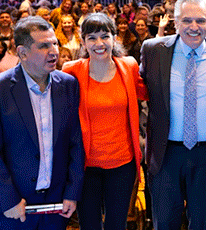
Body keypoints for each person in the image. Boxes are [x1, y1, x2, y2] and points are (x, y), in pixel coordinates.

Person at [0, 16, 85, 229]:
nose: (54, 51)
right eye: (43, 46)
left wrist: (72, 192)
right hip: (11, 209)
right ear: (22, 53)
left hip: (55, 205)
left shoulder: (68, 85)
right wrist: (8, 200)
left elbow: (76, 143)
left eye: (55, 43)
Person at [140, 0, 206, 229]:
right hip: (165, 154)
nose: (194, 27)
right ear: (175, 22)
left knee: (202, 223)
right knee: (164, 223)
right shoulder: (153, 50)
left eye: (201, 21)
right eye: (187, 21)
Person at [63, 13, 148, 230]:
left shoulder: (128, 66)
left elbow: (149, 92)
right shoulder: (71, 71)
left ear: (114, 37)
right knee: (89, 225)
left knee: (116, 224)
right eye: (91, 38)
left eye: (104, 36)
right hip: (86, 165)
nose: (99, 43)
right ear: (83, 41)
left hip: (122, 163)